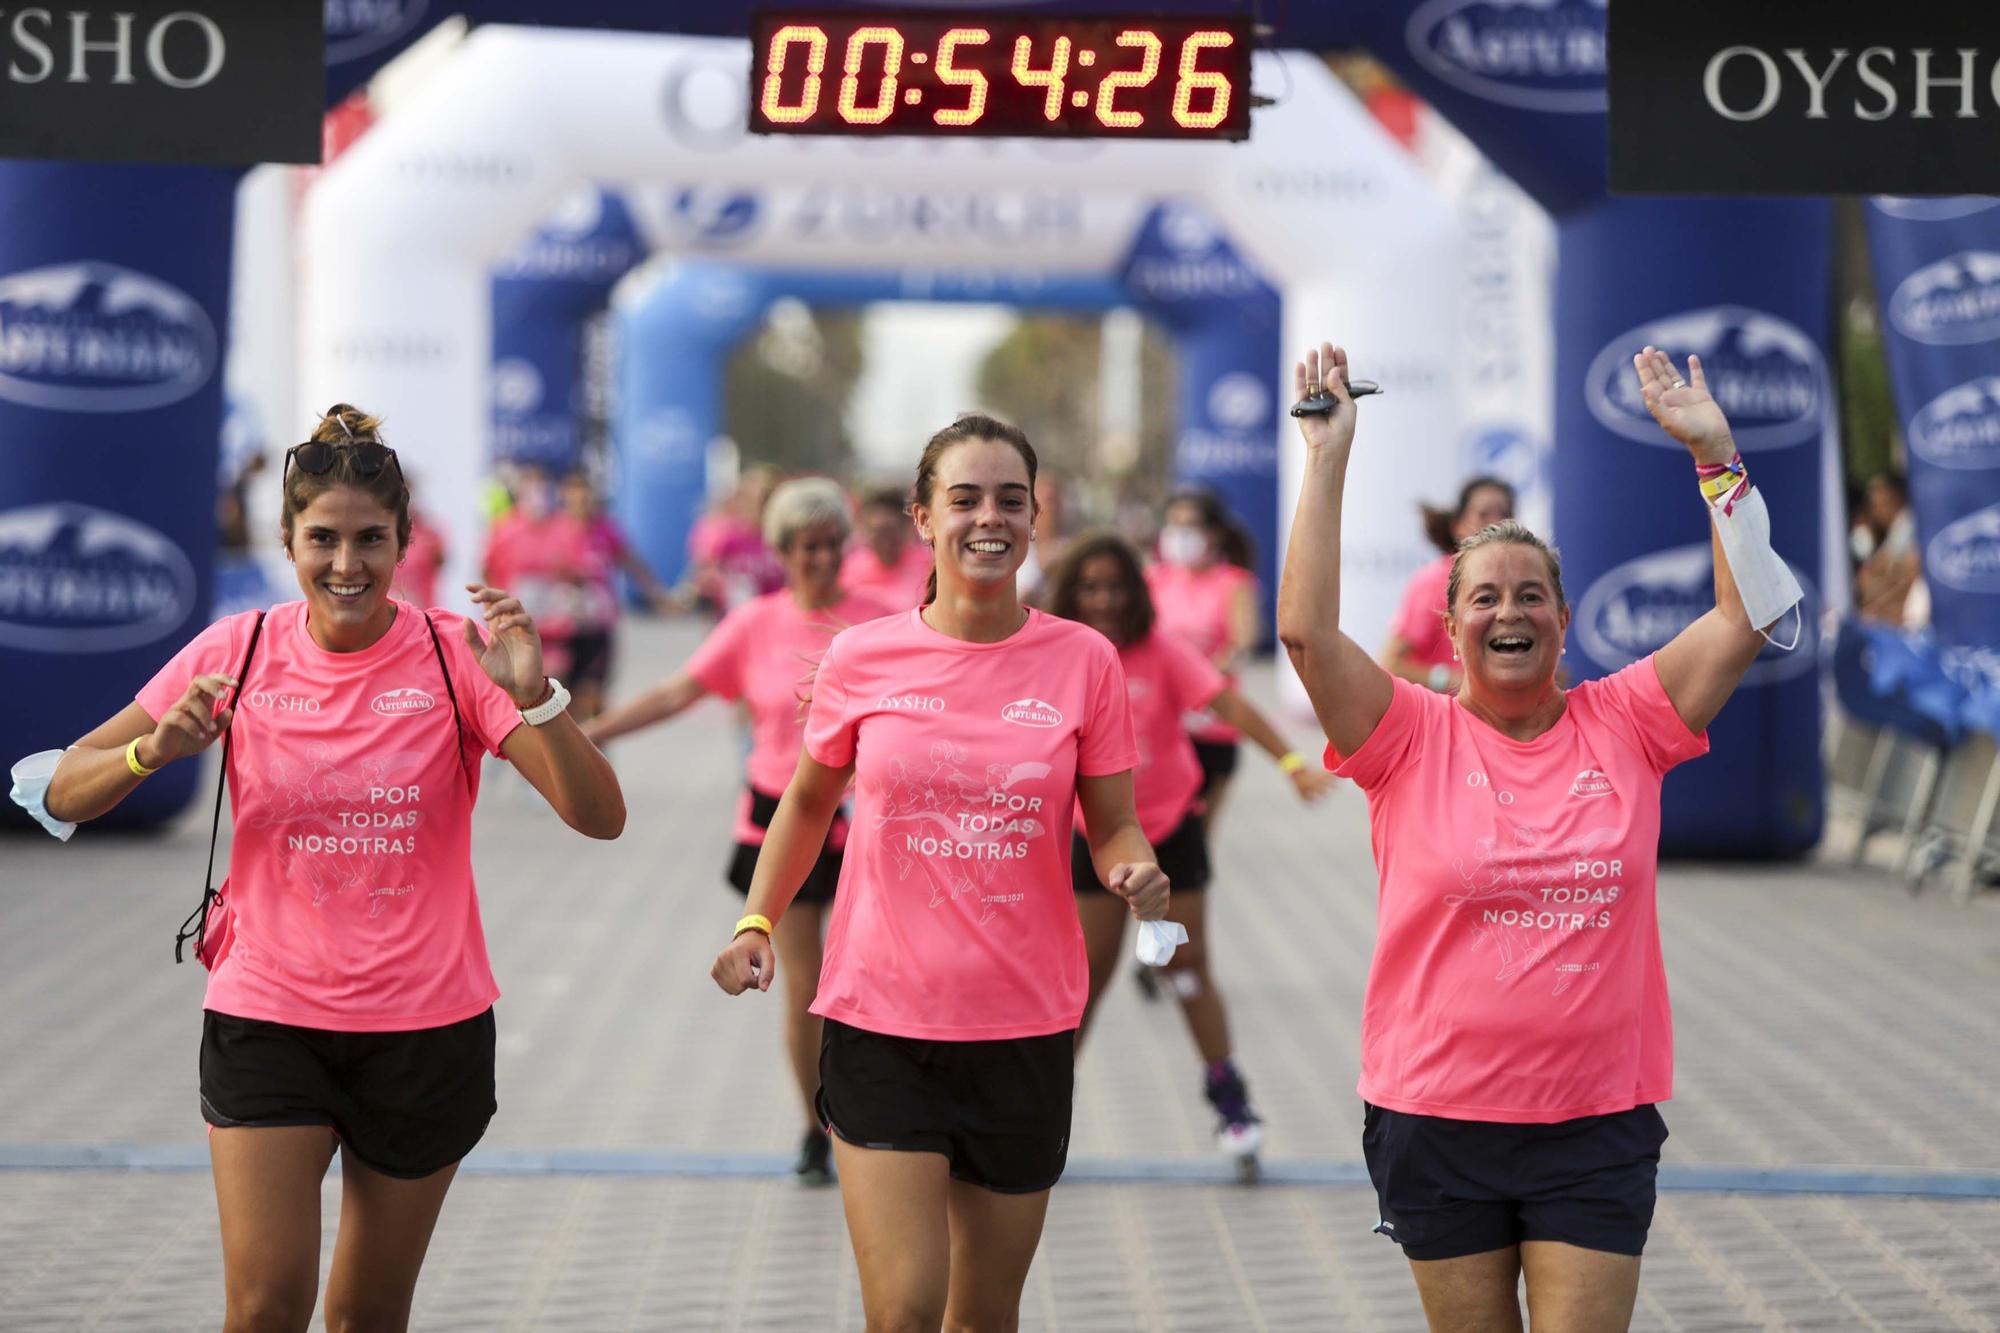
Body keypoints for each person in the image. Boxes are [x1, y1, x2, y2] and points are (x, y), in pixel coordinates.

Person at [23, 405, 624, 1333]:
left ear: (404, 541)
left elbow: (600, 817)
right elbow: (62, 791)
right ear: (288, 539)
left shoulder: (450, 655)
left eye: (370, 540)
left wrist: (535, 696)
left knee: (367, 1315)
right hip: (270, 1018)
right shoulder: (241, 648)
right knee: (264, 1307)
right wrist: (155, 751)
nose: (347, 564)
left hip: (427, 1029)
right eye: (324, 539)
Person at [1279, 342, 1781, 1332]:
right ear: (1449, 624)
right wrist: (1327, 455)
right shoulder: (1403, 734)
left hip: (1594, 1120)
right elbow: (1302, 633)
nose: (1508, 610)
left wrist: (1715, 458)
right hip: (1436, 1116)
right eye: (1483, 597)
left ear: (1559, 618)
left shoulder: (1627, 717)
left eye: (1529, 595)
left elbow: (1746, 614)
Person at [710, 414, 1169, 1332]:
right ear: (923, 516)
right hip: (882, 1022)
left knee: (982, 1317)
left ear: (1037, 517)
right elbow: (803, 803)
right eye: (964, 499)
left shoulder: (1084, 661)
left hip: (1025, 1027)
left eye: (1011, 499)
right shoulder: (862, 656)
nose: (988, 517)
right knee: (907, 1312)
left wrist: (1136, 871)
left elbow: (1113, 822)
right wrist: (755, 923)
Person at [585, 477, 894, 1184]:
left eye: (830, 545)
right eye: (806, 547)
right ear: (782, 552)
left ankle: (878, 1107)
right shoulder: (755, 622)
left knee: (874, 977)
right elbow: (677, 691)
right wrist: (587, 733)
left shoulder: (881, 621)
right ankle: (819, 1122)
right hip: (779, 821)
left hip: (872, 825)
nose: (820, 559)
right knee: (808, 985)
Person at [1044, 530, 1333, 1179]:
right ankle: (1042, 1111)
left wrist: (1290, 762)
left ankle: (1229, 1098)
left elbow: (1228, 702)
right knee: (1085, 979)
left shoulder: (1161, 650)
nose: (1104, 599)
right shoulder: (1055, 654)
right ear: (1070, 593)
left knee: (1186, 965)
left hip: (1169, 830)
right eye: (1089, 587)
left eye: (1116, 586)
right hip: (1092, 838)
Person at [1147, 488, 1260, 830]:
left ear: (1213, 533)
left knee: (1195, 838)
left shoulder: (1235, 583)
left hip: (1213, 726)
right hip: (1161, 727)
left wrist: (1198, 682)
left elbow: (1243, 642)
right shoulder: (1154, 579)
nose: (1180, 534)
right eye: (1174, 525)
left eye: (1191, 526)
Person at [560, 470, 678, 721]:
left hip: (599, 627)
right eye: (576, 500)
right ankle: (568, 754)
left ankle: (595, 748)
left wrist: (659, 596)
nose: (582, 506)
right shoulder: (556, 532)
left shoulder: (606, 530)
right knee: (564, 698)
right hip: (564, 628)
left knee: (594, 696)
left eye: (587, 499)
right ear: (566, 500)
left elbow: (632, 563)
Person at [1381, 477, 1517, 692]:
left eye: (1505, 514)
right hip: (1445, 715)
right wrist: (1456, 682)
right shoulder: (1435, 582)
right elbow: (1391, 664)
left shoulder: (1520, 580)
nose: (1496, 523)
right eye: (1484, 514)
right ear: (1458, 526)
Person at [481, 462, 589, 681]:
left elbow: (580, 575)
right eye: (531, 487)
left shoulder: (566, 527)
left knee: (556, 688)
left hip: (556, 633)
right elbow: (488, 570)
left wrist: (564, 576)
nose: (538, 494)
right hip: (515, 630)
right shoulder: (504, 528)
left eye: (542, 487)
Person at [841, 481, 933, 608]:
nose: (885, 541)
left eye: (891, 531)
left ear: (907, 527)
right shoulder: (849, 570)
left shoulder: (930, 566)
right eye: (878, 532)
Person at [1852, 470, 1926, 628]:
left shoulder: (1906, 523)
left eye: (1878, 504)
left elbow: (1888, 570)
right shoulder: (1898, 529)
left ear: (1893, 499)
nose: (1876, 512)